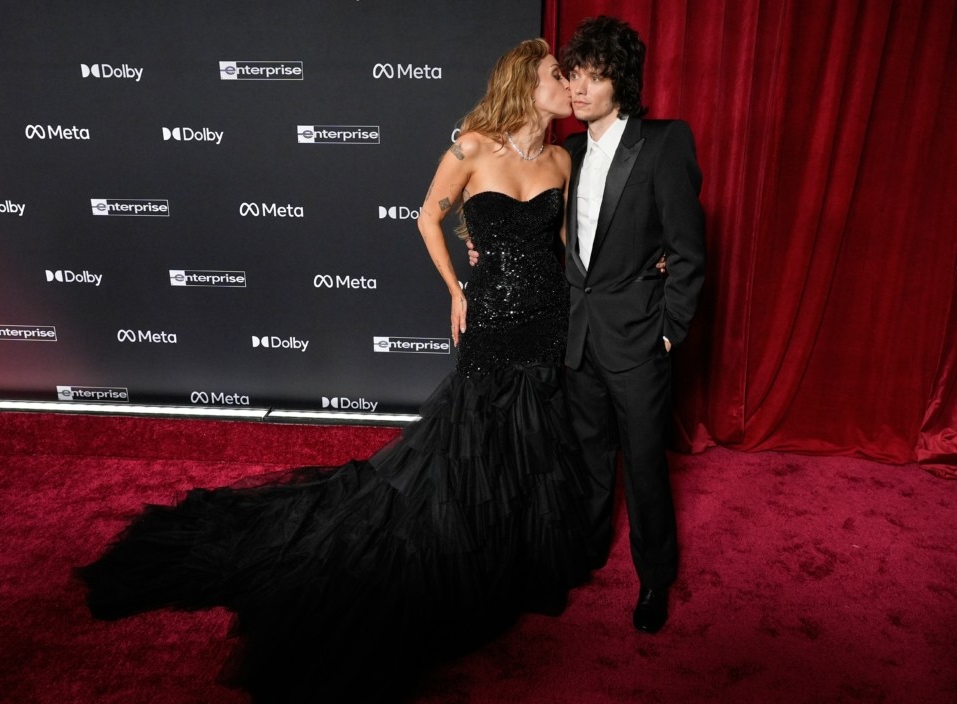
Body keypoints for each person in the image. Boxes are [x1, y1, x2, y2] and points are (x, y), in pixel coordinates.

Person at [79, 39, 594, 703]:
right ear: (525, 82)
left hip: (546, 319)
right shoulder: (471, 147)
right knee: (473, 437)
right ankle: (468, 547)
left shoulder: (561, 158)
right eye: (558, 75)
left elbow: (564, 246)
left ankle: (518, 554)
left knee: (532, 436)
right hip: (491, 318)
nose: (569, 85)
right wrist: (455, 290)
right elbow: (427, 218)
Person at [561, 16, 705, 634]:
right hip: (579, 336)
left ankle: (655, 578)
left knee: (644, 466)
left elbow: (687, 249)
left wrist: (669, 329)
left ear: (620, 82)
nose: (578, 88)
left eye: (593, 76)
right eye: (573, 75)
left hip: (639, 338)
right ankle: (590, 549)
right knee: (590, 457)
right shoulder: (566, 154)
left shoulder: (664, 143)